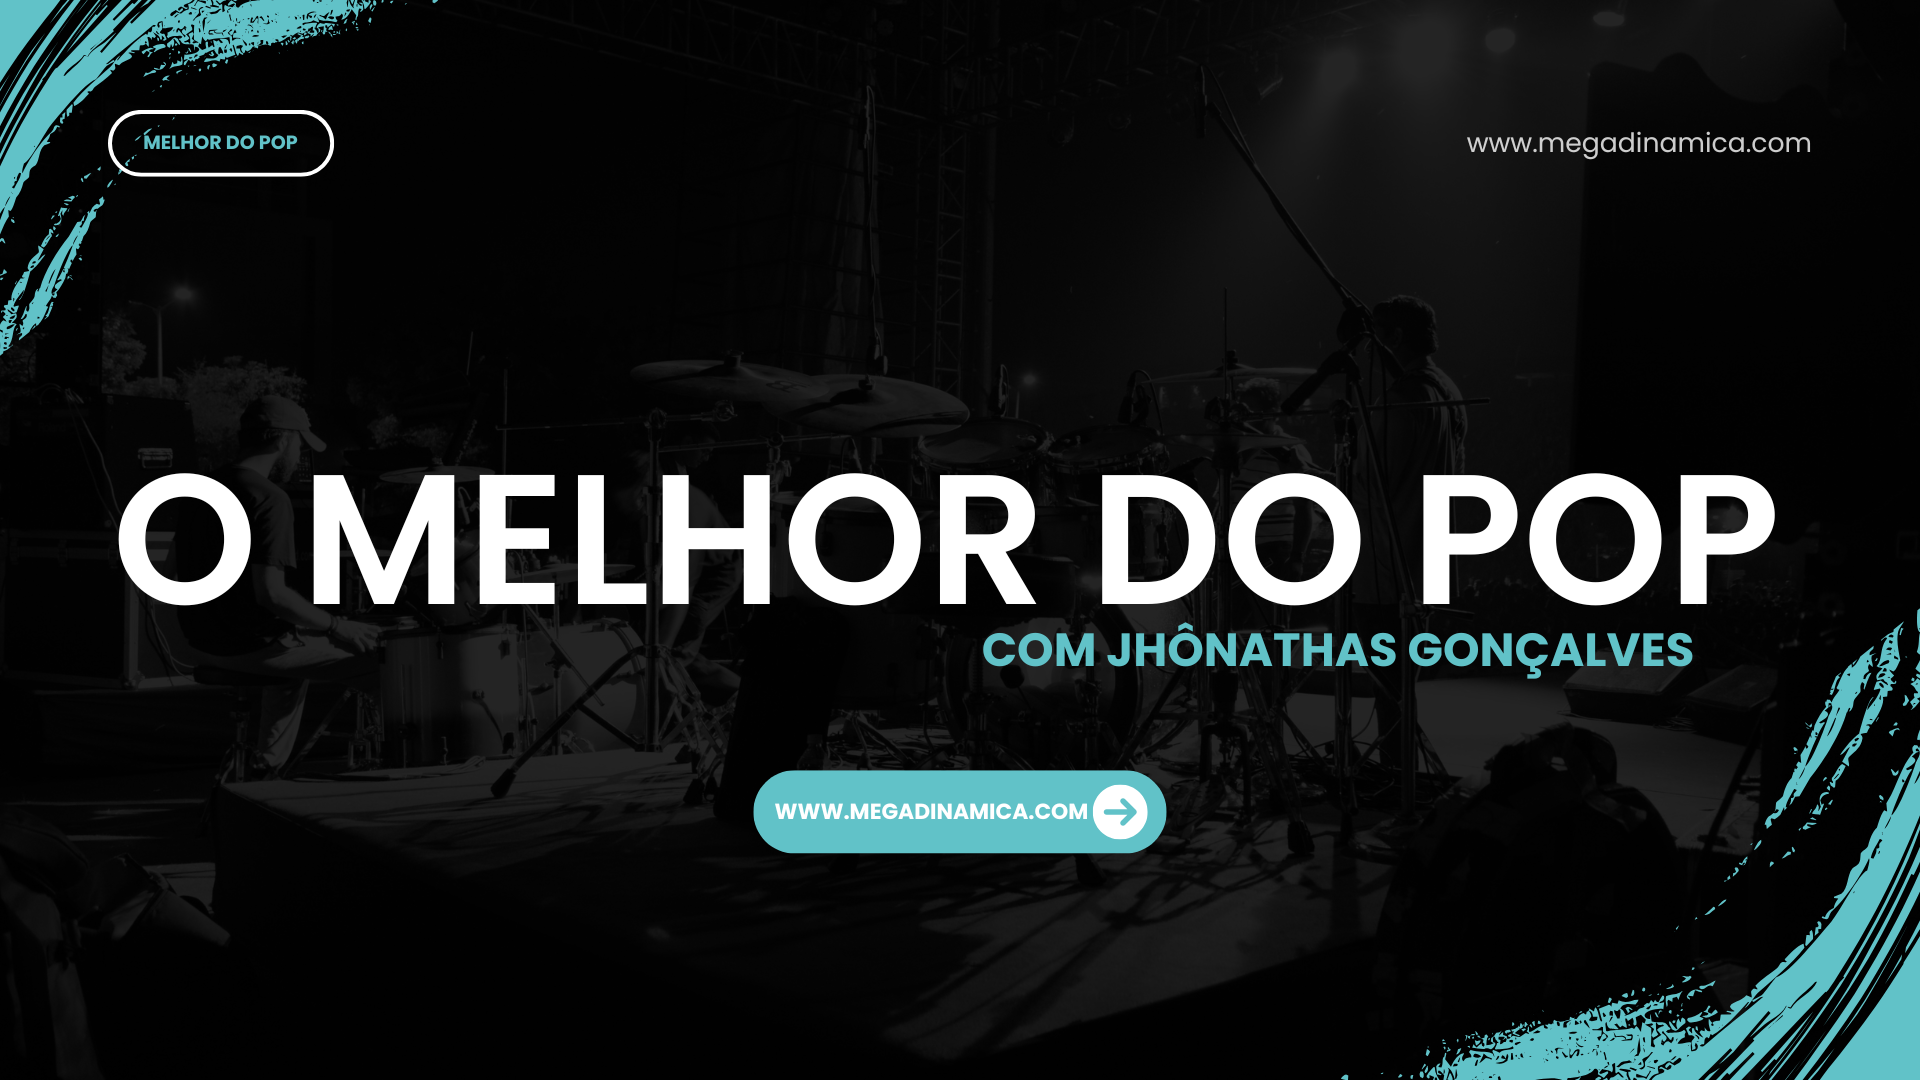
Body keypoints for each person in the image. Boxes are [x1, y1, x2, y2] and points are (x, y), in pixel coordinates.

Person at [173, 396, 383, 773]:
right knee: (384, 664)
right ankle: (405, 766)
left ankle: (264, 767)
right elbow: (271, 594)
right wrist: (338, 625)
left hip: (199, 641)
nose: (300, 454)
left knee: (292, 655)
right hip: (248, 647)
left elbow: (178, 568)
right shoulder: (270, 499)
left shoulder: (202, 489)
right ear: (282, 440)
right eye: (300, 444)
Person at [1347, 296, 1468, 770]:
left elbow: (1371, 484)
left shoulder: (1400, 399)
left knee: (1388, 683)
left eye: (1376, 337)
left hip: (1387, 564)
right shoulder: (1447, 390)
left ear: (1395, 337)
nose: (1369, 350)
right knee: (1400, 683)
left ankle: (1396, 776)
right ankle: (1399, 773)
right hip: (1427, 558)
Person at [603, 441, 743, 702]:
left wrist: (660, 651)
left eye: (633, 504)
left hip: (717, 573)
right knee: (659, 644)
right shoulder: (647, 501)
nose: (630, 512)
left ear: (647, 490)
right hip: (681, 568)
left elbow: (679, 595)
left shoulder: (684, 511)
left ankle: (746, 699)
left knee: (673, 651)